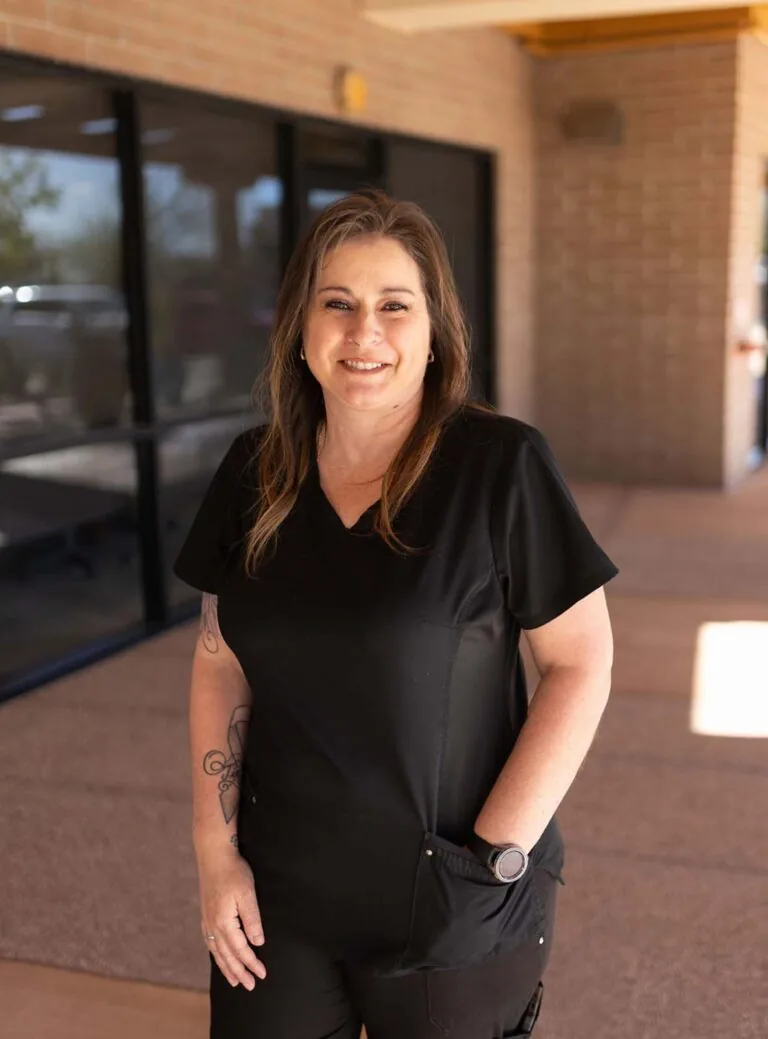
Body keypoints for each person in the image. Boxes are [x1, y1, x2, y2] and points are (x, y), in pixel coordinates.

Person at [173, 190, 619, 1039]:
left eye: (393, 306)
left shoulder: (500, 466)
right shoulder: (254, 472)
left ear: (433, 330)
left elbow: (580, 663)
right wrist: (214, 851)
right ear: (299, 330)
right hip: (280, 894)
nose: (363, 332)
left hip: (451, 889)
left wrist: (495, 857)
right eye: (335, 303)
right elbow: (219, 656)